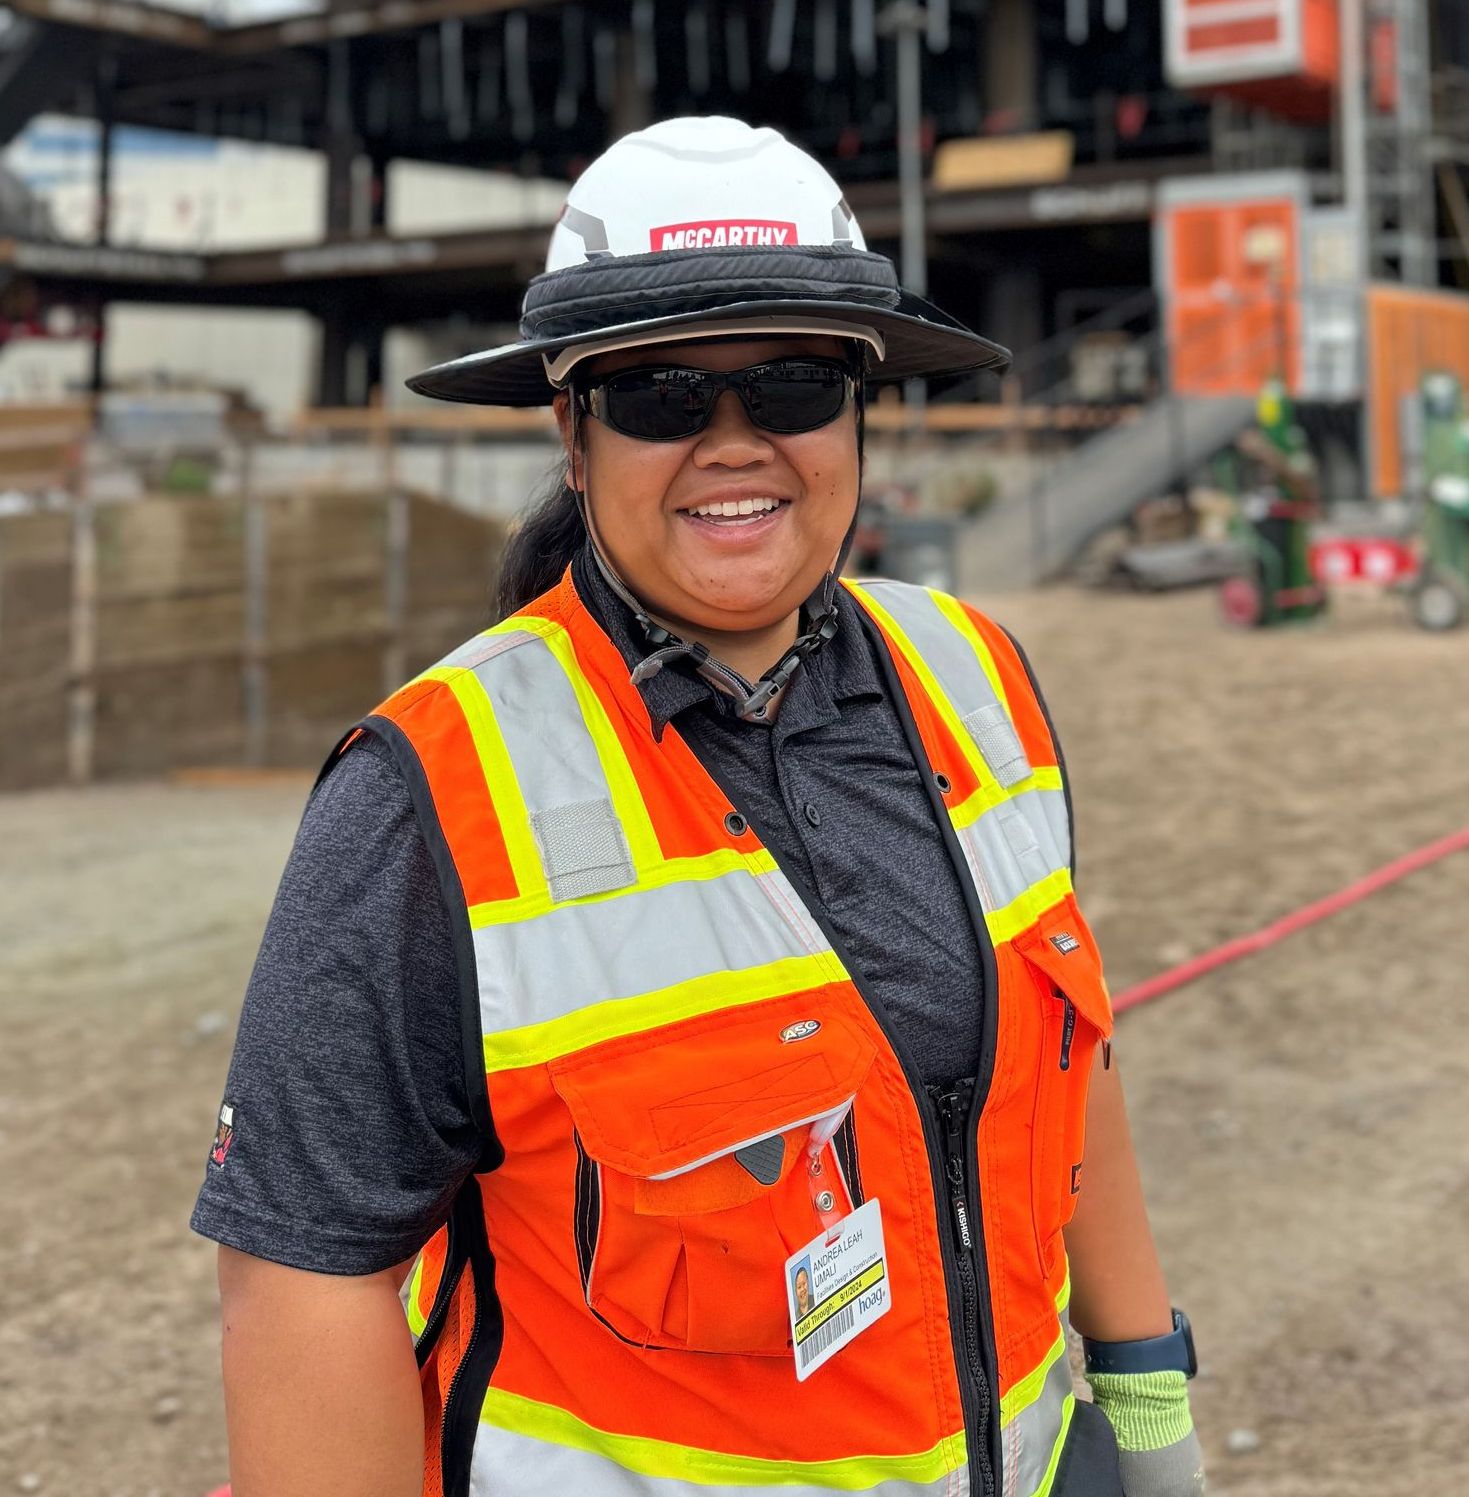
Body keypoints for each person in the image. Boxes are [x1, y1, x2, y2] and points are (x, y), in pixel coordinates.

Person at [194, 117, 1205, 1497]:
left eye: (791, 386)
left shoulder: (980, 679)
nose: (735, 443)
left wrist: (1145, 1398)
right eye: (660, 396)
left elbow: (1065, 1047)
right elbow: (305, 1273)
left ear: (859, 409)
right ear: (570, 431)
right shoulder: (425, 793)